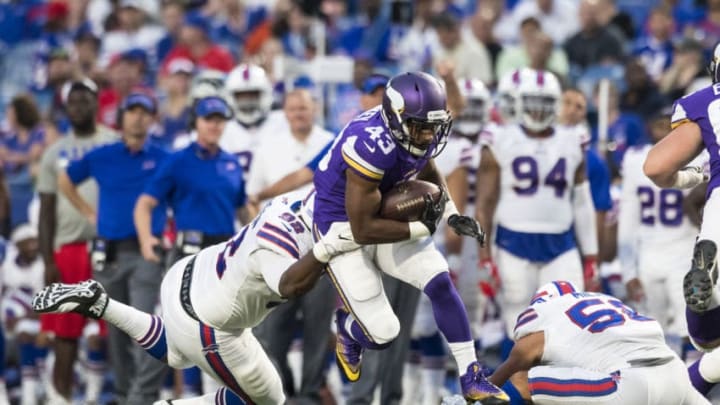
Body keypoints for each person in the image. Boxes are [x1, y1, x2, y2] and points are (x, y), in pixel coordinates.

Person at [32, 191, 361, 405]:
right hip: (212, 319)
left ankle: (101, 304)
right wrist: (327, 250)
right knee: (268, 398)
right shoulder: (287, 245)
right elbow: (292, 284)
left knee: (178, 354)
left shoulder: (288, 203)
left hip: (188, 273)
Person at [312, 71, 509, 403]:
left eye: (434, 126)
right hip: (342, 226)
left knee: (440, 282)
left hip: (382, 212)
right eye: (422, 127)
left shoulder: (416, 127)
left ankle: (471, 375)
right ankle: (347, 329)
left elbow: (429, 169)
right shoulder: (370, 144)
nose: (429, 134)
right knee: (384, 332)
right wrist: (423, 226)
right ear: (396, 117)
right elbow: (363, 229)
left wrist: (451, 215)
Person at [57, 92, 169, 405]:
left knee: (145, 327)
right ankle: (123, 395)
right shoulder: (103, 154)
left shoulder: (163, 157)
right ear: (121, 118)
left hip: (146, 252)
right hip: (109, 255)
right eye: (132, 111)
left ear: (152, 119)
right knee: (117, 333)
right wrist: (87, 211)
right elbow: (65, 179)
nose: (138, 117)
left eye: (144, 112)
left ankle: (142, 397)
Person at [475, 69, 598, 337]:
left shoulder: (573, 138)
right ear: (519, 102)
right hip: (512, 243)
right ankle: (517, 380)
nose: (539, 111)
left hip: (561, 243)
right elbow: (485, 202)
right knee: (519, 325)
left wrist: (591, 254)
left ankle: (555, 380)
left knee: (568, 322)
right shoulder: (499, 137)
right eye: (532, 102)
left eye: (545, 103)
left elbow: (581, 201)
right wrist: (484, 255)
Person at [487, 280, 710, 404]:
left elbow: (524, 355)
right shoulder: (608, 301)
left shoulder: (546, 311)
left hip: (629, 384)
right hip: (675, 374)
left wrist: (483, 389)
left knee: (521, 382)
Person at [643, 42, 720, 395]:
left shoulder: (705, 100)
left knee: (706, 338)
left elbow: (655, 167)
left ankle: (708, 298)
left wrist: (692, 176)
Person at [36, 78, 117, 405]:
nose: (79, 107)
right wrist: (48, 261)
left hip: (110, 245)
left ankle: (123, 395)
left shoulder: (113, 143)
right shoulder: (54, 153)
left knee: (116, 327)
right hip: (68, 249)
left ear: (97, 104)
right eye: (73, 102)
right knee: (65, 334)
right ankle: (62, 399)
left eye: (85, 101)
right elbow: (46, 211)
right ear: (66, 108)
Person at [619, 107, 704, 353]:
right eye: (660, 124)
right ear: (650, 128)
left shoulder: (699, 157)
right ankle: (663, 387)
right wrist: (628, 270)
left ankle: (691, 386)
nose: (666, 130)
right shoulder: (635, 159)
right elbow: (628, 218)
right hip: (648, 254)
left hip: (685, 252)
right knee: (651, 331)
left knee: (691, 327)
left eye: (671, 124)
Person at [134, 95, 244, 267]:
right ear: (195, 122)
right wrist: (146, 240)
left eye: (220, 120)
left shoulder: (232, 163)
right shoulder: (177, 161)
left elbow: (242, 207)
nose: (214, 125)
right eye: (208, 119)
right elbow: (145, 203)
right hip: (189, 252)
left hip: (226, 252)